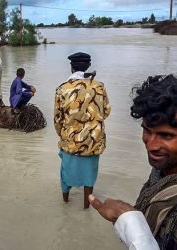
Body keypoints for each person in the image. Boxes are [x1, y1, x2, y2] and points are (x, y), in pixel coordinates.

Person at [89, 73, 177, 250]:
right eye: (147, 131)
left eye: (166, 135)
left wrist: (131, 223)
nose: (151, 145)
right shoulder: (167, 167)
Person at [54, 52, 111, 209]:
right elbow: (106, 112)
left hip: (70, 141)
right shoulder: (99, 86)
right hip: (93, 140)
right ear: (88, 66)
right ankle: (87, 206)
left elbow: (58, 119)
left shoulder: (62, 89)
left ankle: (65, 202)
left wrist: (63, 135)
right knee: (89, 175)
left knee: (65, 173)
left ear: (71, 67)